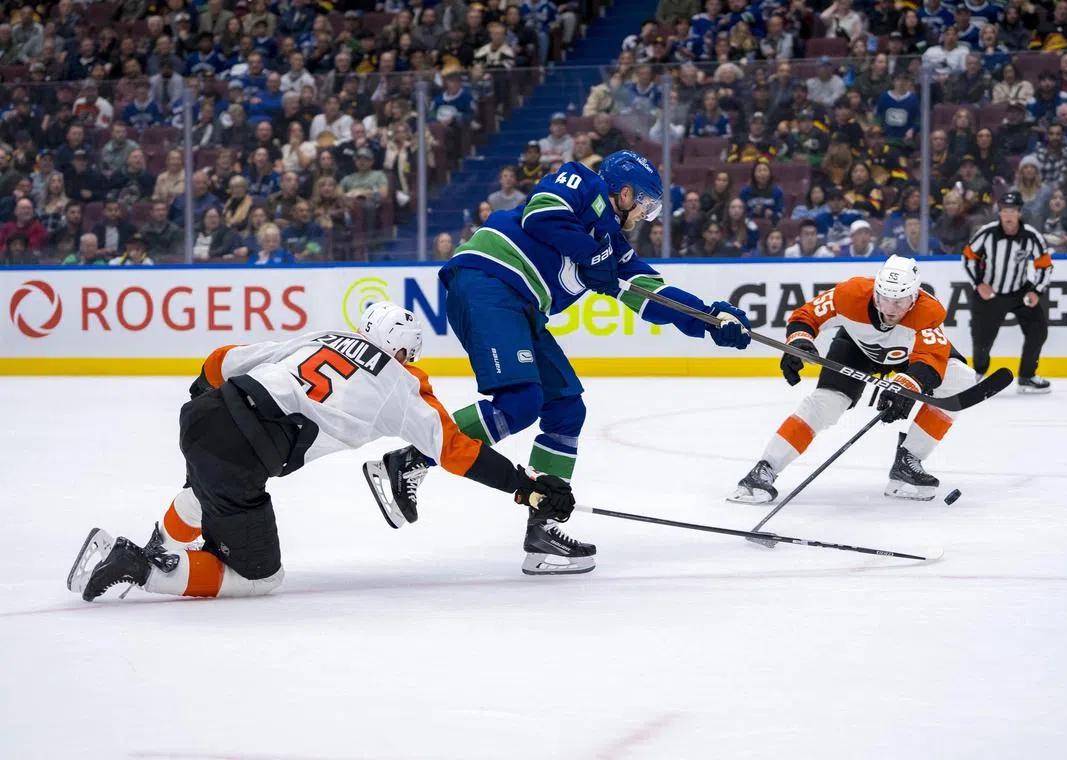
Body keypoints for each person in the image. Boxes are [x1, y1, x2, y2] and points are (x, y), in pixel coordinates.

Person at [379, 150, 752, 575]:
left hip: (522, 307)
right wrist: (592, 256)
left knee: (566, 408)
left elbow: (653, 294)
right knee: (519, 400)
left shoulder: (615, 250)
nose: (645, 216)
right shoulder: (583, 183)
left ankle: (544, 528)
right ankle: (411, 458)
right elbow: (541, 213)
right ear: (625, 194)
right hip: (489, 280)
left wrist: (709, 319)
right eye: (645, 205)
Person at [67, 302, 576, 602]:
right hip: (245, 453)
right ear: (401, 350)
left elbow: (222, 360)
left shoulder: (325, 337)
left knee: (206, 491)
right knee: (261, 578)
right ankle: (134, 562)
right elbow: (459, 451)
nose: (410, 361)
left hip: (204, 414)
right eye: (410, 353)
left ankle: (164, 539)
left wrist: (207, 407)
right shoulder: (402, 384)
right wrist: (527, 490)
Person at [730, 256, 977, 503]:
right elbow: (806, 316)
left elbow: (930, 357)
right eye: (884, 299)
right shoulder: (849, 293)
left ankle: (908, 461)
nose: (890, 310)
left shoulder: (929, 311)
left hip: (909, 355)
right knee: (824, 404)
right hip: (856, 348)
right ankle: (765, 469)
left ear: (914, 297)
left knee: (960, 378)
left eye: (900, 302)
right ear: (875, 292)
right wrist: (798, 342)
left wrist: (907, 386)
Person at [963, 191, 1054, 394]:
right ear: (999, 213)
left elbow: (1045, 265)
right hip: (990, 292)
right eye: (1005, 210)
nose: (1008, 215)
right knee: (981, 341)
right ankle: (978, 373)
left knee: (1038, 330)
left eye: (1012, 210)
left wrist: (1036, 290)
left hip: (1019, 291)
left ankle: (1027, 376)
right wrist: (978, 283)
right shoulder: (987, 233)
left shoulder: (1031, 236)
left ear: (1020, 213)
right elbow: (968, 257)